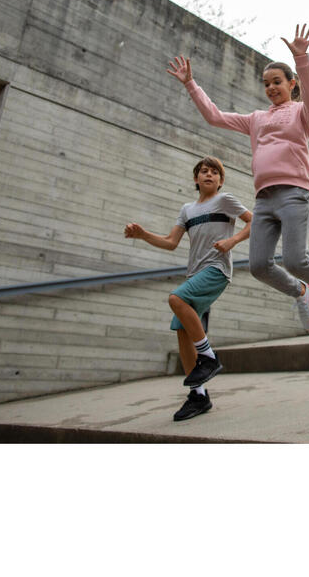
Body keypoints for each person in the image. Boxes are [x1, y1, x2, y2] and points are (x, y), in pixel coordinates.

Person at [167, 23, 309, 337]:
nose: (271, 88)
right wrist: (191, 84)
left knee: (296, 259)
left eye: (277, 82)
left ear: (291, 84)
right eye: (266, 83)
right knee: (258, 265)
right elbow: (214, 116)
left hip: (296, 194)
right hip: (264, 198)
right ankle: (300, 292)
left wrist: (302, 58)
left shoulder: (300, 111)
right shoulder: (256, 119)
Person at [124, 155, 252, 422]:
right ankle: (199, 395)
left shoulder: (225, 200)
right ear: (196, 179)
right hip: (195, 273)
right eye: (204, 171)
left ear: (220, 180)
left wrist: (232, 241)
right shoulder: (187, 210)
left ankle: (208, 356)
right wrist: (143, 234)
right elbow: (171, 242)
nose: (209, 175)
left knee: (176, 297)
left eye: (214, 172)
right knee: (182, 331)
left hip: (216, 270)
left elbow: (255, 221)